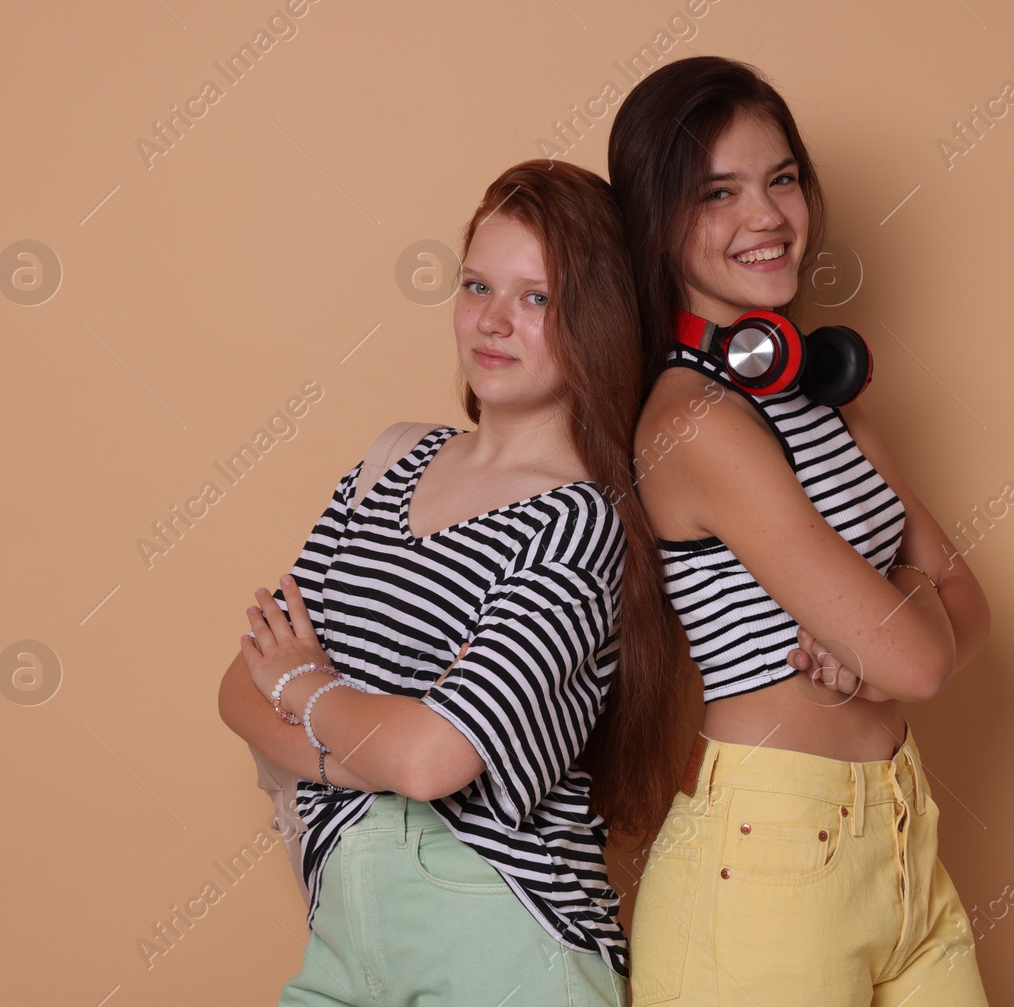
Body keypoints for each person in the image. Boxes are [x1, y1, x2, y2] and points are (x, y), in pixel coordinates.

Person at [217, 159, 688, 1005]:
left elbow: (434, 760)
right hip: (344, 925)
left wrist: (308, 684)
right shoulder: (392, 459)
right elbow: (238, 690)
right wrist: (372, 745)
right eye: (477, 286)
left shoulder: (580, 520)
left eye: (536, 298)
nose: (494, 322)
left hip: (504, 940)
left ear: (601, 318)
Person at [607, 56, 994, 1004]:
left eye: (781, 178)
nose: (767, 216)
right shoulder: (696, 426)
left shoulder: (825, 395)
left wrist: (885, 637)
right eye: (718, 193)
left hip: (900, 834)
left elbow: (972, 607)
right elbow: (929, 657)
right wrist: (901, 619)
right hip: (767, 859)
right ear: (659, 225)